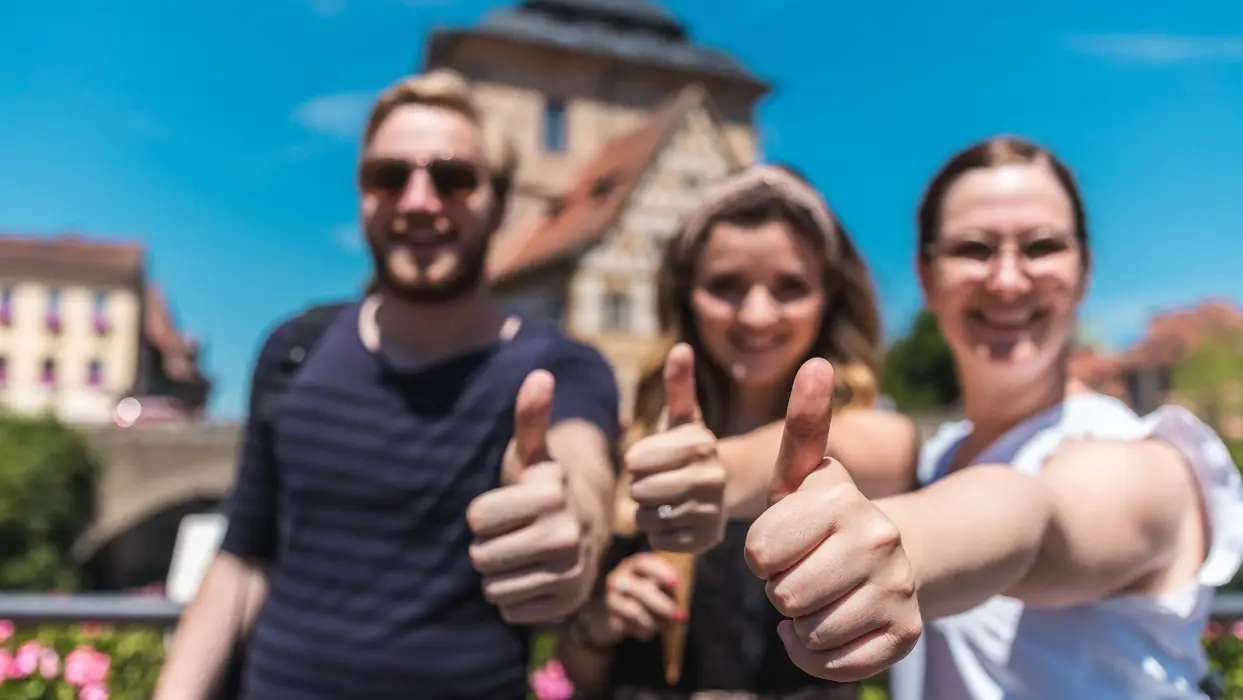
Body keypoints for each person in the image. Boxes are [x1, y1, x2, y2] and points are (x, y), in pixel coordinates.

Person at [153, 68, 622, 700]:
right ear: (363, 199)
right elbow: (242, 560)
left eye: (454, 178)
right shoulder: (293, 348)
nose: (420, 200)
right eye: (390, 175)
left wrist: (569, 521)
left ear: (500, 202)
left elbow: (581, 468)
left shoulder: (558, 366)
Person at [739, 136, 1243, 698]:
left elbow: (1033, 516)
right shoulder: (935, 457)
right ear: (926, 276)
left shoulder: (1147, 461)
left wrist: (902, 544)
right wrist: (707, 471)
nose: (1007, 280)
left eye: (1042, 246)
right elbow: (854, 445)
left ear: (1084, 270)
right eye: (974, 248)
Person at [558, 164, 918, 699]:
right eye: (725, 286)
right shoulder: (636, 444)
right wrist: (601, 623)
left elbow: (887, 448)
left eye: (790, 287)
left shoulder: (866, 440)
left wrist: (708, 472)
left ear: (830, 300)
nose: (755, 315)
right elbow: (579, 675)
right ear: (686, 298)